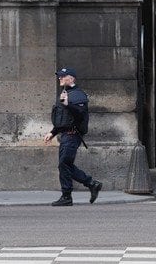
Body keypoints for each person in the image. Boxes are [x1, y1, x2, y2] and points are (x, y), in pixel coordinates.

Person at [43, 67, 102, 206]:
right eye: (59, 76)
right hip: (65, 135)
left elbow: (80, 114)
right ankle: (91, 184)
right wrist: (52, 133)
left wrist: (68, 104)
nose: (60, 78)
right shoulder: (65, 94)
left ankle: (68, 196)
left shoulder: (78, 94)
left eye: (63, 76)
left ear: (71, 78)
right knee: (65, 164)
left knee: (64, 164)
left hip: (72, 135)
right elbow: (63, 119)